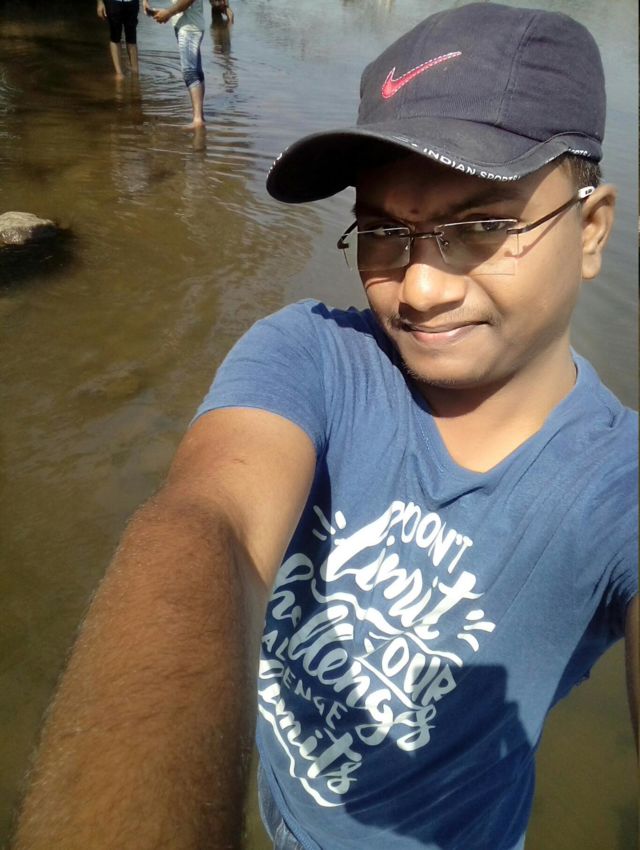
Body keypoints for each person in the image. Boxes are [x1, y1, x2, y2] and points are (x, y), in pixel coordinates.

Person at [11, 4, 638, 850]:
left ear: (591, 230)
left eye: (482, 226)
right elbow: (210, 527)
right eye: (382, 231)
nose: (420, 290)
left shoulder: (616, 488)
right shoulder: (311, 354)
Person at [145, 0, 206, 128]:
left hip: (190, 28)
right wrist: (159, 10)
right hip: (190, 25)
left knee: (190, 72)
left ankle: (197, 119)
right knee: (196, 71)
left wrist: (168, 12)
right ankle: (199, 116)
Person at [97, 0, 140, 78]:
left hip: (132, 2)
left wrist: (145, 1)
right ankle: (119, 73)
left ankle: (135, 71)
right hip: (113, 2)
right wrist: (100, 2)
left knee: (132, 37)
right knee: (115, 36)